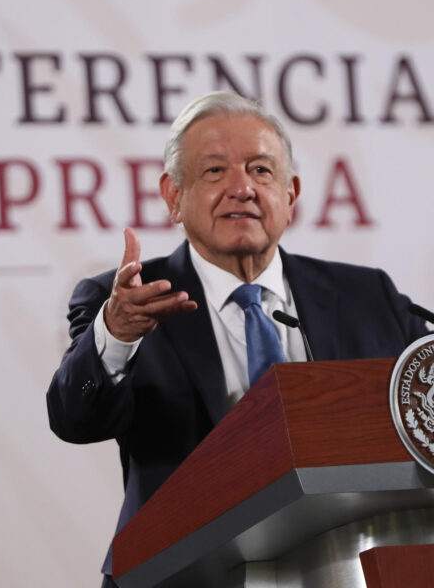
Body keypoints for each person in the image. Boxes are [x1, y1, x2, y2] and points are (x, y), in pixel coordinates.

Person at [46, 91, 426, 587]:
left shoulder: (367, 294)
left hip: (352, 568)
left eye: (261, 170)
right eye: (214, 171)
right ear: (173, 195)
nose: (242, 188)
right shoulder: (126, 300)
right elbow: (75, 419)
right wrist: (115, 334)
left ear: (290, 194)